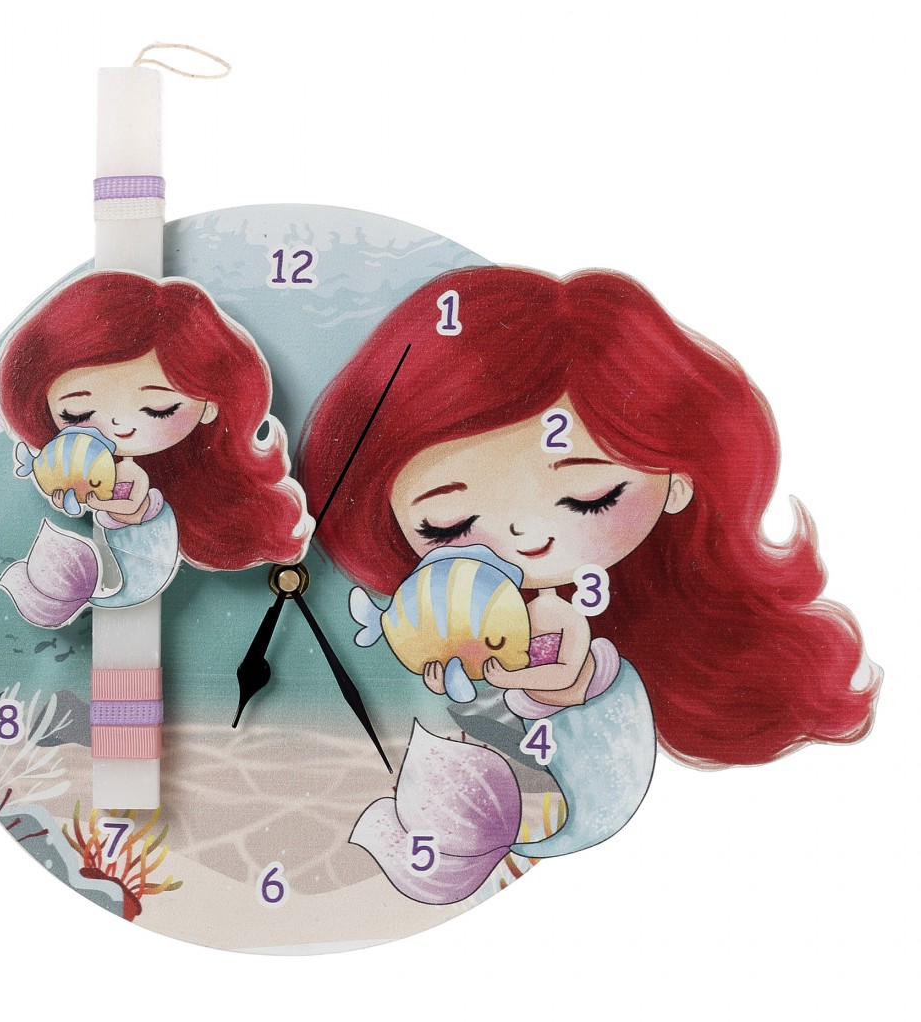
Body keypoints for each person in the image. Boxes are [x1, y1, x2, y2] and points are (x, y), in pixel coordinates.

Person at [298, 266, 878, 769]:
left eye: (589, 498)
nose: (526, 537)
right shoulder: (449, 606)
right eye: (448, 524)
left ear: (678, 480)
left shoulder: (579, 625)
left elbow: (559, 675)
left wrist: (531, 682)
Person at [0, 271, 310, 627]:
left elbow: (130, 505)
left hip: (145, 548)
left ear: (210, 404)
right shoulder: (88, 463)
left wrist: (96, 500)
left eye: (159, 409)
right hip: (129, 555)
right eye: (77, 414)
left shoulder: (132, 474)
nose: (121, 427)